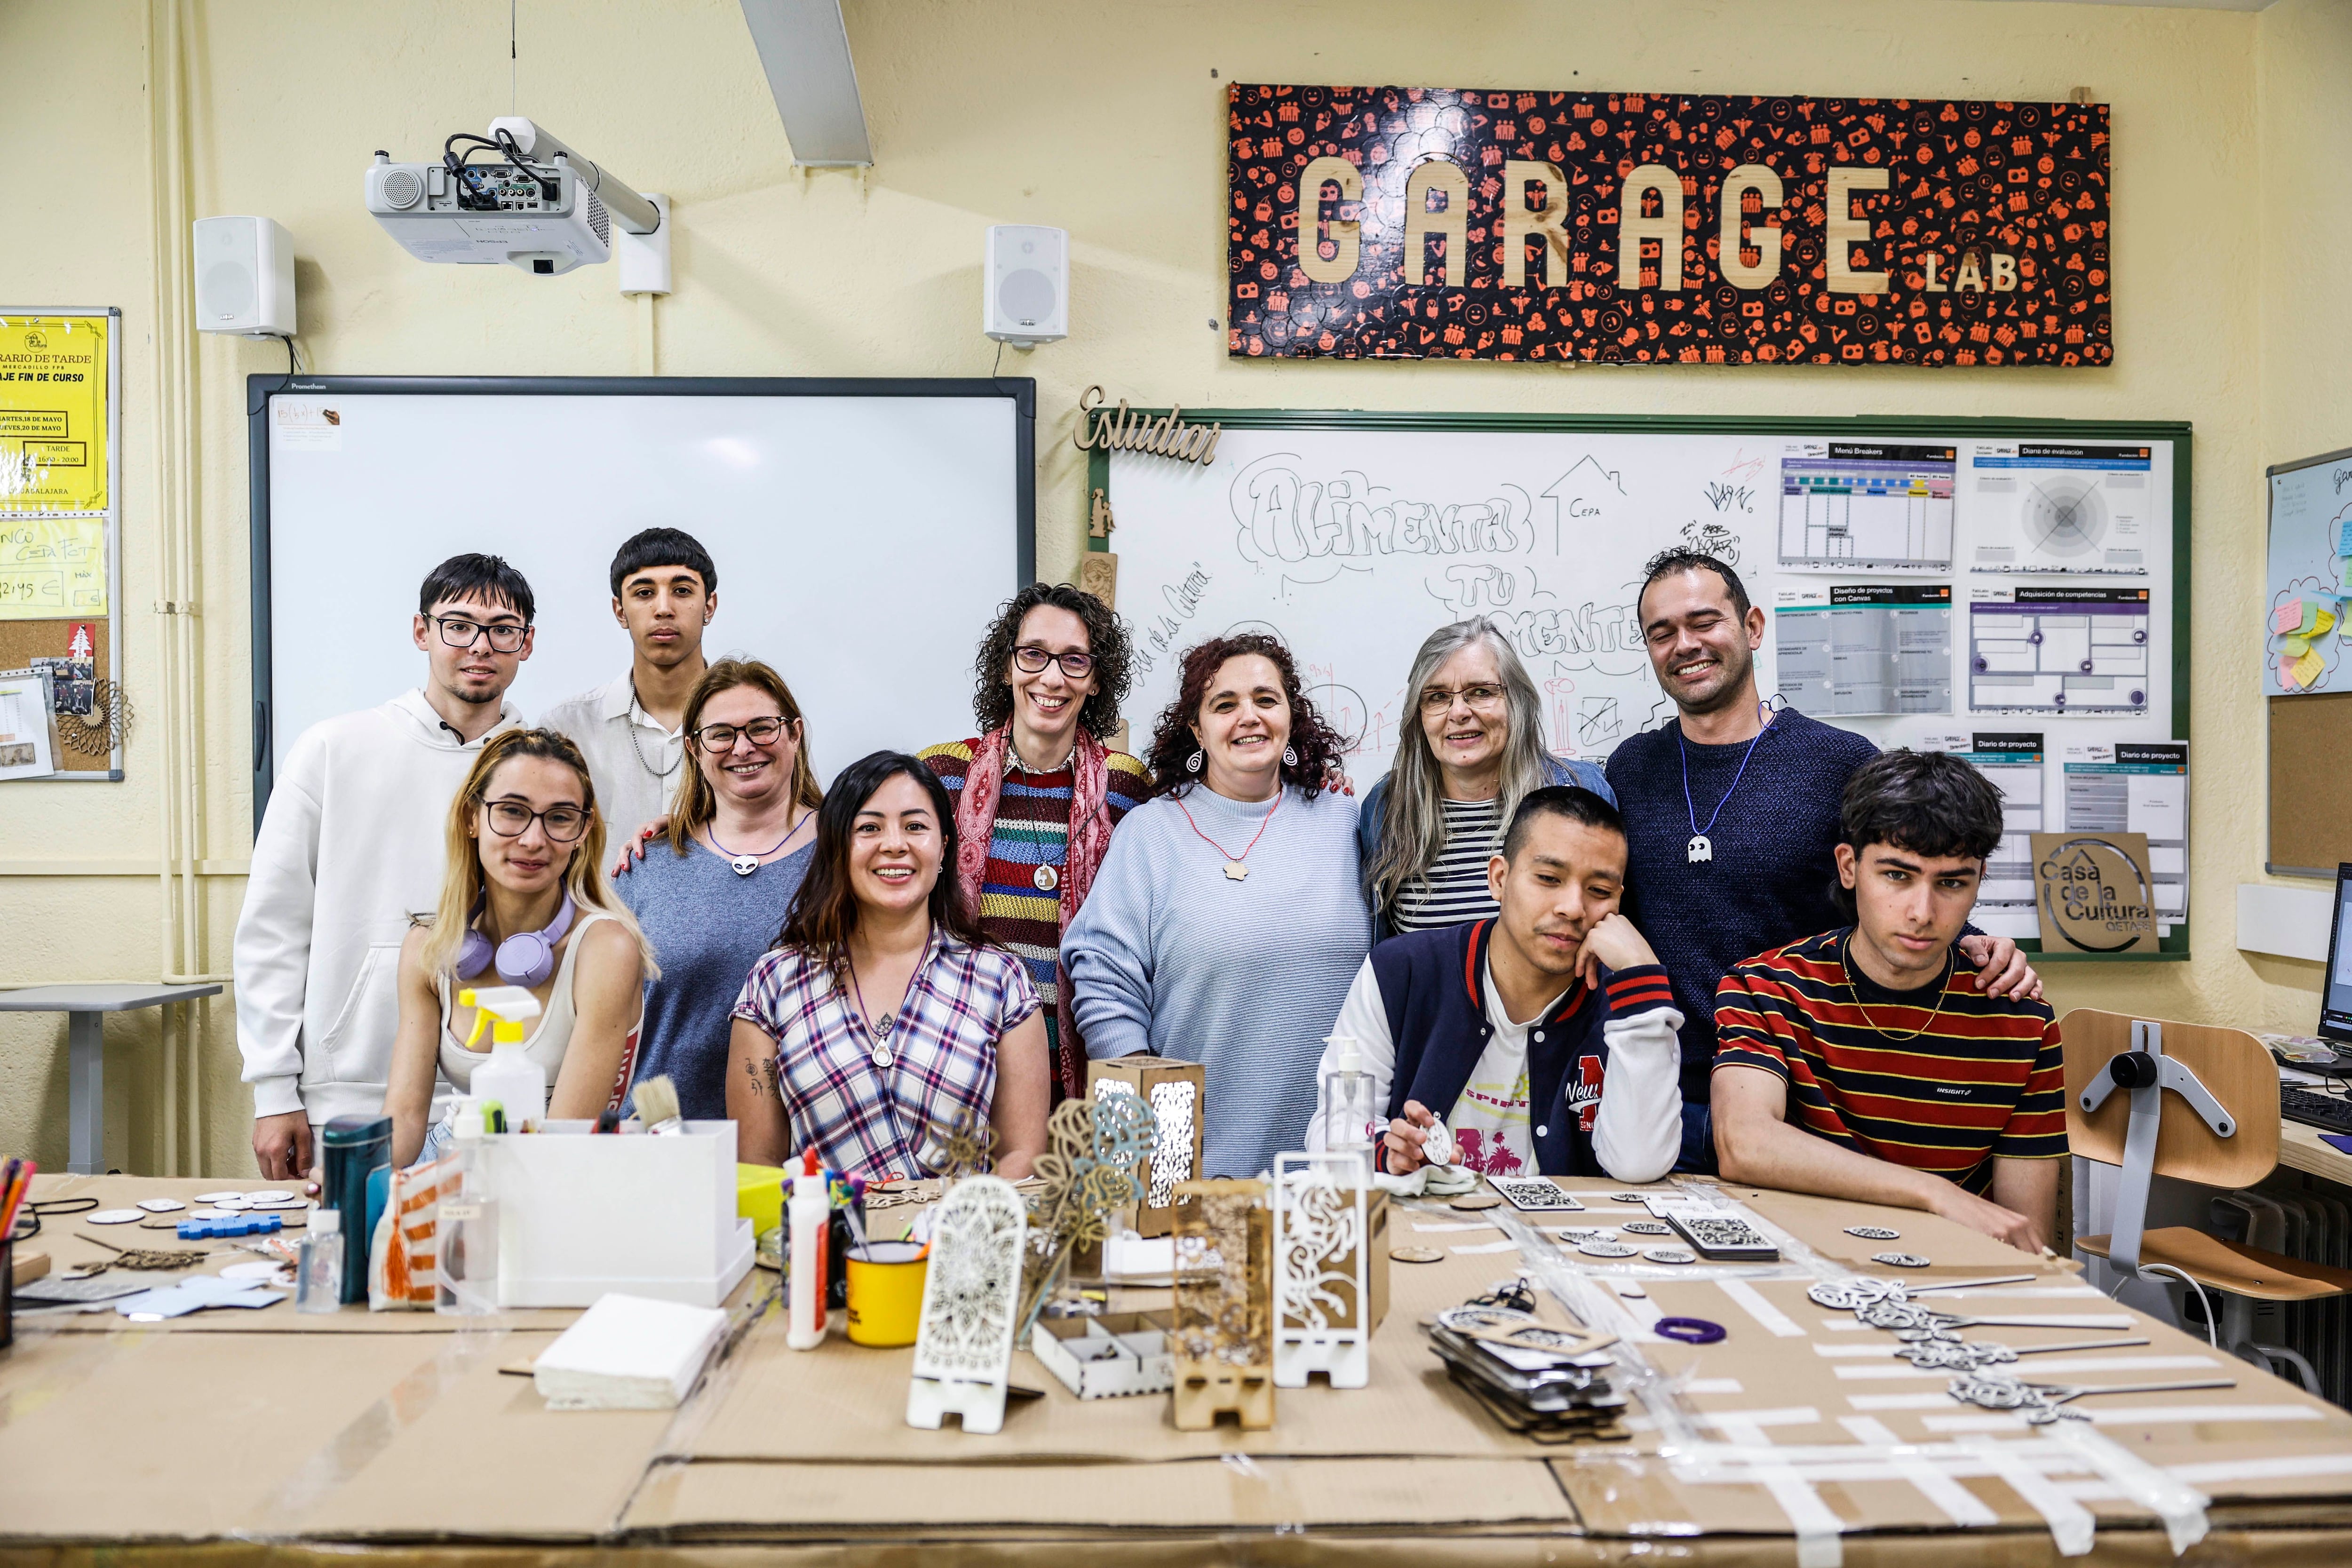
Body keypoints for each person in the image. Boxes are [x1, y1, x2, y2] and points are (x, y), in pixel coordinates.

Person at [1603, 548, 2040, 1171]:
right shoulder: (1630, 768)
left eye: (1704, 622)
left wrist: (1982, 945)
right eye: (1663, 632)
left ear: (1752, 627)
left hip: (1800, 1099)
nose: (1685, 644)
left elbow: (1903, 874)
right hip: (1663, 1095)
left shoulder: (1837, 759)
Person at [236, 554, 535, 1180]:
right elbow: (273, 926)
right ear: (422, 632)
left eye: (502, 629)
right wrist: (274, 1090)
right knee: (353, 1268)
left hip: (504, 1096)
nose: (480, 645)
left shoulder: (545, 768)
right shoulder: (334, 748)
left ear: (526, 643)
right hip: (352, 1097)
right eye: (458, 625)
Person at [1710, 750, 2066, 1254]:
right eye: (1897, 876)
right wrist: (1931, 1193)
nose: (1922, 912)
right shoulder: (1766, 989)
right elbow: (1743, 1144)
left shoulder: (2021, 1020)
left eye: (1951, 883)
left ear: (1978, 880)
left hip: (1951, 1276)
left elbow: (2020, 1236)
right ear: (1849, 866)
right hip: (1804, 1262)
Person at [1062, 632, 1370, 1179]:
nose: (1248, 717)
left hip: (1334, 1170)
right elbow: (1103, 980)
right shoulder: (1150, 833)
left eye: (1265, 700)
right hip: (1190, 1167)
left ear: (1290, 717)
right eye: (1224, 705)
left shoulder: (1344, 820)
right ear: (1196, 729)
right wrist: (1156, 1149)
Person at [1312, 786, 1681, 1183]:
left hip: (1563, 1238)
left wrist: (1643, 980)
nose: (1573, 908)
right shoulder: (1402, 970)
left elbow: (1639, 1164)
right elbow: (1329, 1136)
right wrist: (1389, 1152)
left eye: (1599, 891)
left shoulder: (1628, 1001)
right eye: (1548, 878)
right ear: (1499, 879)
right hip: (1427, 1235)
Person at [727, 752, 1050, 1178]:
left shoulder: (1000, 981)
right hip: (826, 1240)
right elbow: (757, 1165)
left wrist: (950, 1233)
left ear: (944, 847)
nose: (895, 844)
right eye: (869, 828)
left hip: (958, 1239)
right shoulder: (775, 982)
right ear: (838, 848)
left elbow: (1022, 1156)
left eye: (915, 826)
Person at [919, 584, 1151, 1104]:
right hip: (957, 1073)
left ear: (1095, 681)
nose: (1051, 677)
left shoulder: (1129, 788)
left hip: (1087, 1082)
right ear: (1006, 668)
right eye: (1033, 655)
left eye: (1074, 661)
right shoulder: (941, 774)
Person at [383, 730, 659, 1168]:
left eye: (560, 817)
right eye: (512, 812)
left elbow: (563, 1147)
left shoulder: (605, 948)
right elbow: (406, 1115)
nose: (534, 840)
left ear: (583, 831)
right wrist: (352, 1176)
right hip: (457, 1159)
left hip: (558, 1177)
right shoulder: (428, 947)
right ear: (472, 817)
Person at [615, 659, 823, 1122]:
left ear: (794, 734)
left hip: (812, 1152)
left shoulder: (850, 855)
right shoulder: (648, 865)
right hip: (667, 1148)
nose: (743, 747)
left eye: (762, 728)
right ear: (694, 748)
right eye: (721, 734)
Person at [1359, 617, 1614, 943]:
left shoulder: (1580, 790)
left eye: (1480, 692)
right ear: (1419, 714)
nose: (1458, 712)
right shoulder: (1388, 806)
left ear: (1516, 703)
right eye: (1437, 697)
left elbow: (1612, 929)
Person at [539, 528, 718, 840]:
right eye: (644, 593)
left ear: (710, 607)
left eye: (683, 591)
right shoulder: (567, 727)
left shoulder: (761, 723)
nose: (663, 608)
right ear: (620, 610)